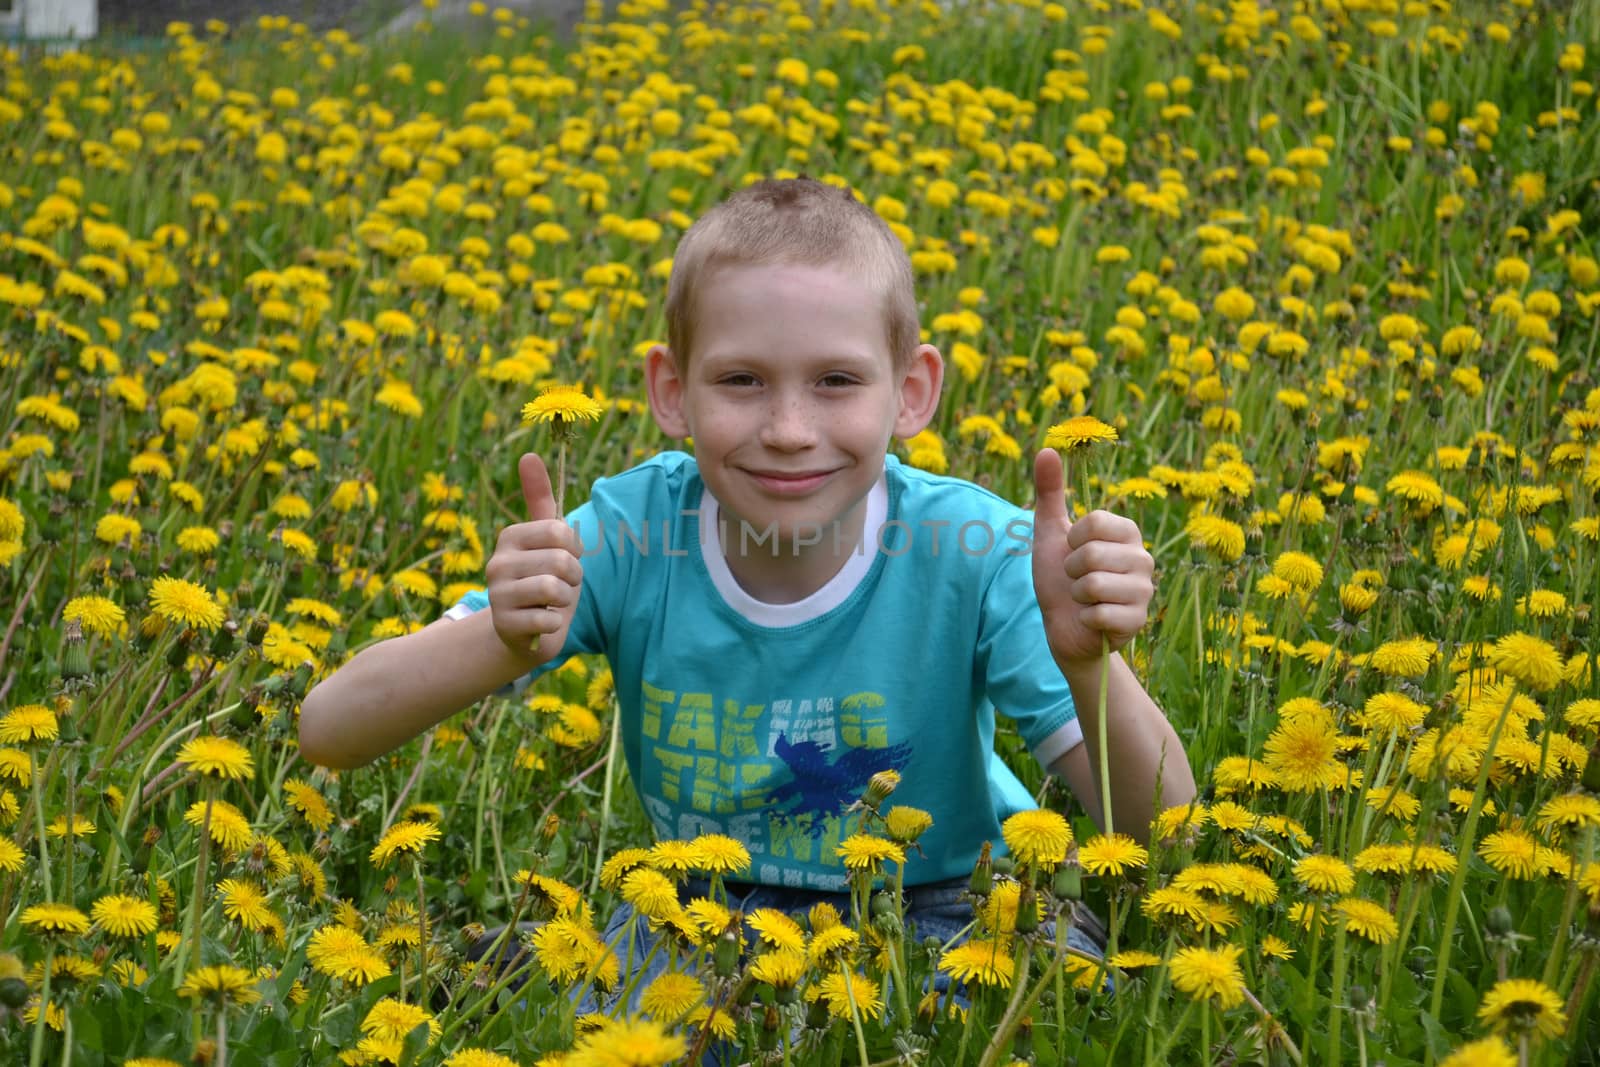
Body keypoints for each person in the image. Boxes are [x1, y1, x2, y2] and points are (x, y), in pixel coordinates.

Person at [298, 176, 1196, 1010]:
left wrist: (1089, 666)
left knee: (1052, 1003)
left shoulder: (978, 553)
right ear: (672, 391)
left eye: (837, 381)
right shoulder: (627, 531)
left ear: (912, 391)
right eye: (741, 381)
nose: (789, 430)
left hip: (950, 896)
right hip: (702, 906)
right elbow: (330, 728)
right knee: (607, 1017)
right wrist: (499, 640)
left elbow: (1169, 830)